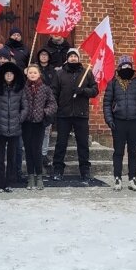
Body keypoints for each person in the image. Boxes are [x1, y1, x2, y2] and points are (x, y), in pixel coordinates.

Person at [103, 55, 136, 191]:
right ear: (119, 68)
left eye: (129, 66)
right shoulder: (113, 83)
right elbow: (107, 103)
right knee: (118, 152)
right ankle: (117, 177)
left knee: (133, 152)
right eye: (123, 66)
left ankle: (132, 178)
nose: (126, 68)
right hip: (118, 122)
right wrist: (109, 119)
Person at [51, 48, 98, 182]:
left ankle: (84, 171)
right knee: (61, 143)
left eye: (75, 56)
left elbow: (95, 90)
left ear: (78, 58)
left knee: (82, 144)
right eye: (70, 56)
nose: (73, 58)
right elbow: (54, 92)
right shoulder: (59, 74)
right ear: (67, 58)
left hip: (81, 114)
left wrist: (83, 90)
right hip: (64, 114)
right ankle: (58, 169)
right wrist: (56, 107)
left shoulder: (86, 73)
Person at [0, 61, 29, 192]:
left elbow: (25, 107)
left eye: (11, 74)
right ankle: (0, 183)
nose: (9, 76)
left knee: (12, 157)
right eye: (7, 74)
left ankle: (10, 182)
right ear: (3, 75)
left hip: (15, 128)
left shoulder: (19, 89)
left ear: (15, 75)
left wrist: (19, 118)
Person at [22, 64, 57, 190]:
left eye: (34, 73)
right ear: (27, 74)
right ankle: (30, 176)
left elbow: (53, 104)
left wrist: (44, 112)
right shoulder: (23, 88)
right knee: (28, 150)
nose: (32, 74)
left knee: (37, 150)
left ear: (39, 74)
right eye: (30, 72)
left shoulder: (45, 88)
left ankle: (39, 176)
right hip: (26, 123)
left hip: (39, 123)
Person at [35, 47, 57, 170]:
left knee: (46, 132)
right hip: (35, 103)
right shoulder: (34, 68)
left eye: (45, 55)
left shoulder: (53, 71)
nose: (43, 57)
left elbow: (54, 86)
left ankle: (43, 154)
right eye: (41, 54)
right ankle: (36, 153)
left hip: (47, 102)